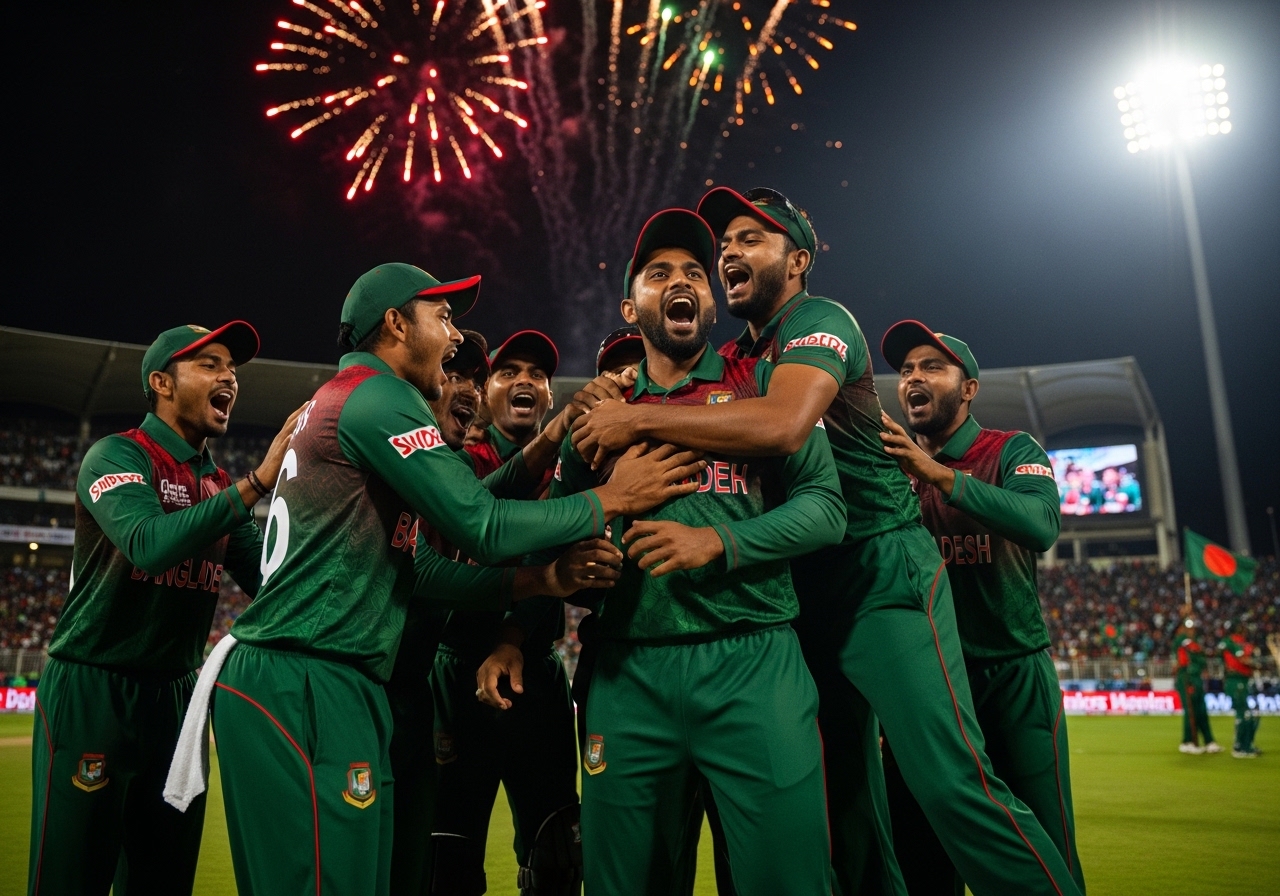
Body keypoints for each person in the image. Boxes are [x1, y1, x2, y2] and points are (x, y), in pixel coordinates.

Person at [571, 187, 1085, 896]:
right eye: (725, 243)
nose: (729, 252)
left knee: (952, 782)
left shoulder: (820, 320)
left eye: (753, 237)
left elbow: (783, 425)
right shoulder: (742, 356)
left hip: (881, 570)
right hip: (804, 582)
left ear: (799, 259)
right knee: (846, 805)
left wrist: (635, 422)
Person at [207, 263, 704, 894]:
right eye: (442, 318)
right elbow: (480, 525)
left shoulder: (343, 400)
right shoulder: (380, 399)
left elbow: (437, 542)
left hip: (325, 671)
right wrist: (612, 500)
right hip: (307, 674)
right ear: (394, 325)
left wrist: (549, 460)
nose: (452, 335)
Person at [530, 207, 844, 895]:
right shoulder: (596, 413)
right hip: (627, 673)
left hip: (752, 661)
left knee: (788, 881)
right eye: (659, 272)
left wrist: (717, 541)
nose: (683, 282)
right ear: (630, 304)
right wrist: (575, 566)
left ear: (712, 299)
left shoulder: (760, 386)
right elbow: (547, 531)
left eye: (696, 274)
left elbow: (826, 509)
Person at [28, 321, 300, 895]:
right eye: (210, 363)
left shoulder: (215, 482)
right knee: (69, 880)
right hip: (95, 689)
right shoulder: (116, 454)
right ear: (161, 382)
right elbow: (149, 546)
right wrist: (254, 486)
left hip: (178, 701)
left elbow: (278, 583)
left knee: (164, 881)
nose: (229, 376)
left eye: (232, 368)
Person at [386, 328, 621, 895]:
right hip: (456, 670)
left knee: (559, 851)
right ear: (487, 394)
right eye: (507, 372)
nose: (524, 382)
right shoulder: (448, 459)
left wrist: (517, 637)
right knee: (449, 856)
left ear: (547, 394)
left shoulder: (577, 462)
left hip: (538, 671)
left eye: (537, 375)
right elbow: (482, 513)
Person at [877, 320, 1085, 894]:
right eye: (908, 370)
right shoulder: (886, 468)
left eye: (932, 367)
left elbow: (1040, 525)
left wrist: (938, 476)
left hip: (1012, 674)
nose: (914, 377)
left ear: (969, 389)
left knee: (1044, 848)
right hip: (926, 687)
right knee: (921, 853)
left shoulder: (1012, 449)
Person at [1173, 618, 1220, 754]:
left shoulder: (1195, 641)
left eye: (1192, 628)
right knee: (1191, 711)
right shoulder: (1181, 640)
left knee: (1201, 711)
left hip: (1196, 679)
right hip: (1187, 678)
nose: (1191, 630)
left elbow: (1201, 657)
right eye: (1188, 627)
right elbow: (1194, 651)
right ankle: (1188, 741)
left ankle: (1209, 741)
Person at [1219, 625, 1261, 758]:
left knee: (1245, 714)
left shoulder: (1227, 643)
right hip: (1237, 681)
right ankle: (1241, 747)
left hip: (1239, 681)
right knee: (1244, 714)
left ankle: (1244, 745)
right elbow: (1242, 659)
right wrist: (1257, 665)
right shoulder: (1234, 643)